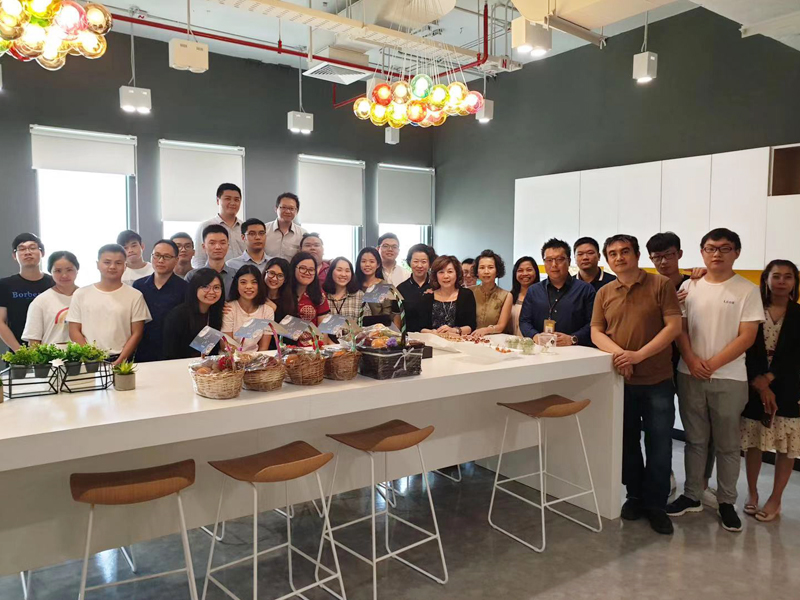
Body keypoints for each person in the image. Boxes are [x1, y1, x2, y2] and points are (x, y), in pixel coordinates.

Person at [667, 228, 764, 533]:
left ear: (737, 253)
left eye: (725, 248)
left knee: (728, 445)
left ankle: (726, 501)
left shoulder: (747, 290)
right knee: (695, 440)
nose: (717, 254)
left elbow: (747, 336)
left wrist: (712, 364)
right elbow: (680, 328)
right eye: (710, 248)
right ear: (702, 252)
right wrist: (692, 360)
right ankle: (692, 495)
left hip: (729, 378)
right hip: (689, 373)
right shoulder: (690, 285)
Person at [591, 234, 682, 535]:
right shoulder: (604, 292)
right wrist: (620, 355)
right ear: (607, 259)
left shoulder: (660, 285)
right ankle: (634, 496)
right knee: (627, 441)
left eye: (625, 251)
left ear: (637, 255)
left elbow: (674, 327)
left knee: (660, 444)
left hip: (657, 379)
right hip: (621, 381)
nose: (619, 257)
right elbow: (596, 331)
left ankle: (656, 504)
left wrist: (638, 355)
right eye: (613, 253)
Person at [647, 231, 715, 506]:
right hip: (658, 364)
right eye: (657, 257)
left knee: (700, 429)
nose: (663, 262)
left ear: (680, 255)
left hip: (692, 363)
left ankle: (701, 483)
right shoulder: (649, 286)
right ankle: (667, 476)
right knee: (660, 427)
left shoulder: (696, 282)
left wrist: (705, 273)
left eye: (669, 255)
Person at [741, 259, 800, 522]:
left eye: (788, 277)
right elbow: (745, 346)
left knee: (787, 446)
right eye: (776, 276)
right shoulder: (753, 310)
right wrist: (760, 381)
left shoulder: (798, 314)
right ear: (766, 279)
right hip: (753, 385)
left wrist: (770, 379)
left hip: (788, 387)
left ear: (795, 282)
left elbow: (795, 356)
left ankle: (775, 499)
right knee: (754, 441)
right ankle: (752, 493)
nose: (781, 282)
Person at [68, 244, 152, 365]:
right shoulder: (81, 294)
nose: (112, 267)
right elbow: (74, 330)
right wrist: (91, 357)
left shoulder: (135, 295)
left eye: (118, 263)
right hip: (87, 360)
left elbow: (137, 333)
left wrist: (121, 360)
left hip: (122, 360)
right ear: (98, 264)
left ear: (125, 266)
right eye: (107, 262)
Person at [519, 238, 595, 346]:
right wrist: (535, 336)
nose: (554, 264)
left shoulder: (585, 290)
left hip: (574, 350)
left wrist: (573, 338)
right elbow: (524, 321)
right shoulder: (534, 290)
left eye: (559, 259)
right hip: (540, 349)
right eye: (549, 260)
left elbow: (593, 324)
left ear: (569, 261)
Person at [132, 239, 187, 362]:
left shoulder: (185, 288)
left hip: (175, 353)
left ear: (176, 260)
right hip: (144, 351)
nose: (160, 260)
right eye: (157, 255)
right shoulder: (139, 286)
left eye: (166, 257)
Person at [0, 233, 54, 351]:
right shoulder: (5, 285)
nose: (28, 252)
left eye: (32, 248)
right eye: (22, 249)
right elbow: (0, 322)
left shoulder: (54, 283)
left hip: (52, 351)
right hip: (18, 353)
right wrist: (20, 351)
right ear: (14, 255)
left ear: (42, 253)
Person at [162, 268, 225, 360]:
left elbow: (211, 351)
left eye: (216, 287)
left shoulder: (216, 313)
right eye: (205, 287)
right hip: (179, 364)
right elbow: (170, 352)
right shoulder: (178, 315)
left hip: (207, 365)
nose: (211, 292)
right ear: (194, 288)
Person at [22, 251, 79, 346]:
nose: (64, 275)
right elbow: (34, 340)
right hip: (51, 355)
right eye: (58, 271)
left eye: (69, 270)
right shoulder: (40, 301)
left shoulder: (86, 297)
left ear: (77, 269)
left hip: (85, 355)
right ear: (50, 272)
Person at [222, 265, 275, 352]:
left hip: (255, 357)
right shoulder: (228, 309)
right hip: (230, 356)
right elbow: (226, 346)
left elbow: (263, 348)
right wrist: (242, 359)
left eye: (254, 282)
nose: (249, 286)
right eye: (243, 282)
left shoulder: (267, 311)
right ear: (236, 284)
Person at [192, 183, 246, 268]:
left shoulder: (245, 227)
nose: (233, 203)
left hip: (243, 275)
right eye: (228, 199)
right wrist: (202, 275)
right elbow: (199, 259)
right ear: (218, 200)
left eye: (236, 200)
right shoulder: (205, 226)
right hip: (214, 275)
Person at [420, 255, 476, 335]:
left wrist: (454, 330)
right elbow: (420, 327)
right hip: (433, 340)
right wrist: (433, 332)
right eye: (441, 272)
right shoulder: (427, 297)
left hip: (458, 341)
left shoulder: (466, 295)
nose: (445, 276)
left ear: (457, 274)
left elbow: (471, 326)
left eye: (450, 272)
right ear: (435, 275)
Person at [471, 249, 512, 337]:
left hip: (494, 340)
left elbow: (501, 326)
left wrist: (486, 330)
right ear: (477, 272)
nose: (486, 271)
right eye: (482, 268)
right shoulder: (469, 292)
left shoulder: (506, 296)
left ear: (497, 271)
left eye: (490, 267)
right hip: (469, 339)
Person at [397, 244, 436, 333]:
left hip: (434, 336)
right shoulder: (401, 288)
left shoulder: (436, 286)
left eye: (423, 262)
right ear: (409, 262)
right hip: (409, 337)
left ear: (430, 263)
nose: (419, 265)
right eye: (415, 261)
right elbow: (397, 316)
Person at [186, 225, 234, 296]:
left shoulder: (237, 275)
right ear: (204, 247)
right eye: (212, 243)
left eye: (222, 243)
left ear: (228, 246)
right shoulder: (193, 276)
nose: (218, 247)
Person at [355, 247, 395, 326]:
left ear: (378, 265)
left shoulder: (384, 286)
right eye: (363, 261)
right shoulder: (354, 285)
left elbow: (387, 313)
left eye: (372, 261)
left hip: (378, 328)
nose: (367, 265)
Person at [289, 252, 330, 327]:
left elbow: (323, 328)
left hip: (312, 334)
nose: (307, 273)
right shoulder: (283, 290)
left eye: (311, 270)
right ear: (293, 268)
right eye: (302, 268)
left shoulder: (319, 294)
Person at [265, 193, 307, 260]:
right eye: (284, 207)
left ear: (297, 211)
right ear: (276, 209)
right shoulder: (264, 230)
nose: (287, 211)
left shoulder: (302, 234)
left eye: (291, 208)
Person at [322, 257, 364, 321]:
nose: (343, 274)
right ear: (331, 272)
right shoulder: (322, 296)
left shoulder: (360, 296)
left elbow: (367, 324)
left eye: (347, 271)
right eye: (339, 270)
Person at [507, 256, 540, 336]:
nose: (525, 274)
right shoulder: (509, 296)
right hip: (512, 341)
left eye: (529, 270)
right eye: (520, 270)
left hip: (534, 341)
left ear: (535, 272)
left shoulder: (542, 297)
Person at [265, 257, 293, 322]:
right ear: (265, 272)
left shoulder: (290, 300)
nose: (274, 278)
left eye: (280, 276)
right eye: (271, 273)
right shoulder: (256, 295)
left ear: (285, 279)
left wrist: (274, 309)